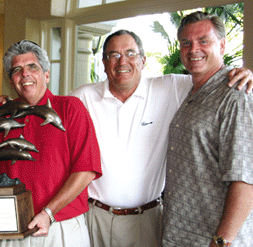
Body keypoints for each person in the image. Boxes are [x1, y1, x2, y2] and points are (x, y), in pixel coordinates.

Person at [66, 29, 253, 247]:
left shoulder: (171, 87)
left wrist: (246, 74)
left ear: (143, 60)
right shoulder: (82, 97)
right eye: (114, 55)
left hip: (148, 218)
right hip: (95, 217)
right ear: (104, 62)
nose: (122, 61)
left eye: (130, 53)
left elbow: (213, 78)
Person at [0, 40, 102, 247]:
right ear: (11, 82)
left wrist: (48, 213)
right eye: (17, 70)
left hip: (61, 228)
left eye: (32, 67)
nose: (25, 74)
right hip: (13, 230)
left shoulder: (70, 108)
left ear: (46, 75)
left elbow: (86, 170)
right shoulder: (1, 118)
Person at [163, 11, 253, 247]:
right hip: (180, 234)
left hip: (213, 239)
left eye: (204, 41)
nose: (194, 49)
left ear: (222, 45)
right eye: (186, 43)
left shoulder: (236, 96)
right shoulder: (189, 90)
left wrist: (221, 241)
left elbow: (245, 180)